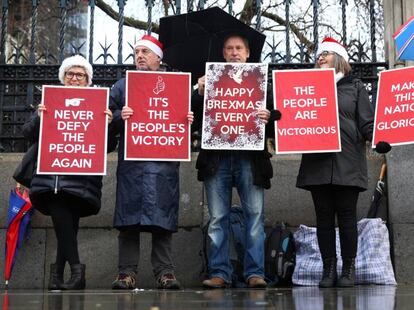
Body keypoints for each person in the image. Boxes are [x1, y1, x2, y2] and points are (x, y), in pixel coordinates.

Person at [296, 37, 391, 288]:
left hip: (347, 162)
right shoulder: (307, 87)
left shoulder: (356, 86)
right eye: (318, 55)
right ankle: (328, 269)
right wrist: (279, 116)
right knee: (323, 217)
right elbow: (295, 114)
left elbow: (367, 122)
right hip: (317, 163)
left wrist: (378, 139)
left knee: (347, 217)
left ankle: (347, 268)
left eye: (325, 53)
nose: (320, 58)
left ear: (339, 59)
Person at [192, 34, 281, 289]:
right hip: (216, 159)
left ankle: (255, 273)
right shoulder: (210, 81)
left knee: (254, 216)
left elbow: (280, 119)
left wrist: (269, 116)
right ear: (223, 53)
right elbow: (190, 114)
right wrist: (198, 93)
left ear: (247, 53)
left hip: (250, 160)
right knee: (218, 218)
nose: (234, 52)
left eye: (238, 48)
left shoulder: (261, 83)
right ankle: (219, 272)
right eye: (229, 48)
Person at [109, 35, 194, 290]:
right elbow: (101, 116)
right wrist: (117, 116)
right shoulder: (122, 86)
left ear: (158, 58)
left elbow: (190, 122)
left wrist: (188, 118)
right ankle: (126, 273)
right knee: (128, 220)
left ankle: (165, 272)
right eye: (137, 52)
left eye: (146, 51)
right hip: (132, 166)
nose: (140, 56)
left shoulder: (176, 85)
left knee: (162, 219)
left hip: (163, 165)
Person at [23, 55, 113, 290]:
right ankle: (76, 269)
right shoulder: (49, 102)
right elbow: (28, 133)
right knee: (62, 215)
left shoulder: (98, 105)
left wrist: (108, 126)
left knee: (67, 223)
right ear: (63, 78)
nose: (74, 78)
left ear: (87, 80)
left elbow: (107, 147)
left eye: (80, 75)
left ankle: (58, 275)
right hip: (50, 177)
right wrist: (39, 117)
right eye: (70, 74)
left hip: (81, 177)